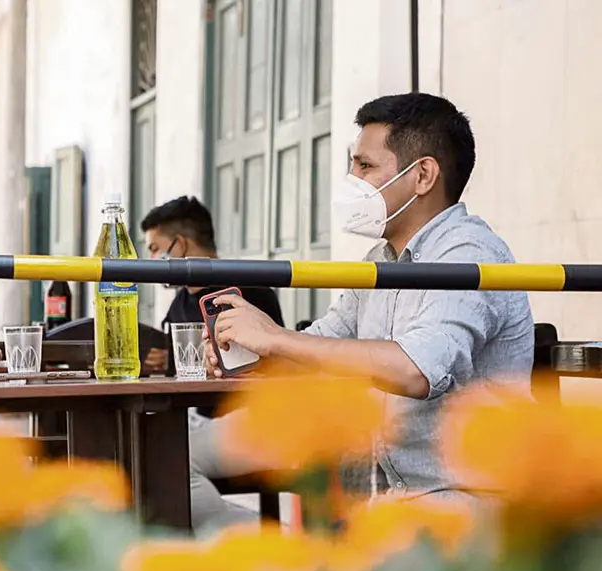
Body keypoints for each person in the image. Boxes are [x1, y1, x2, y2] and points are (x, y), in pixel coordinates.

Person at [193, 93, 534, 531]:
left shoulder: (470, 252)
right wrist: (249, 350)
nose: (351, 180)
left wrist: (277, 337)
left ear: (423, 175)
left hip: (466, 503)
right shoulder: (383, 261)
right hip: (393, 500)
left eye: (365, 166)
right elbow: (321, 345)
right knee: (190, 478)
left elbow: (416, 371)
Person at [141, 195, 284, 392]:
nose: (152, 259)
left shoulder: (249, 293)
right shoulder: (179, 304)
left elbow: (272, 366)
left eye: (155, 249)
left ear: (180, 244)